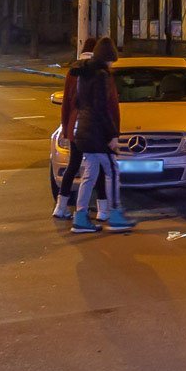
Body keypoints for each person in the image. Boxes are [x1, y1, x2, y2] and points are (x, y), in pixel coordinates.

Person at [71, 37, 135, 233]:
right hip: (97, 133)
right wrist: (112, 135)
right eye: (111, 60)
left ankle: (80, 217)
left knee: (89, 175)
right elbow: (102, 108)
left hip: (84, 130)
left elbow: (78, 103)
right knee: (113, 171)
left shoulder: (84, 73)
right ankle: (115, 214)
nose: (111, 64)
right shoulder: (102, 76)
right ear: (108, 58)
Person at [53, 39, 107, 219]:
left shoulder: (72, 71)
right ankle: (102, 210)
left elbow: (66, 103)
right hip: (92, 126)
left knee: (73, 165)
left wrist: (65, 127)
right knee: (98, 168)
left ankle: (60, 207)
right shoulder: (99, 70)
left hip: (75, 126)